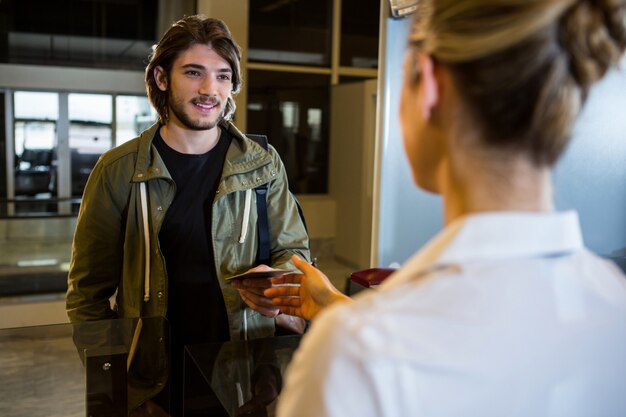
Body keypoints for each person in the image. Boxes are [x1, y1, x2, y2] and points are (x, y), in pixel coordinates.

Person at [266, 1, 626, 416]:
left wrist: (344, 326)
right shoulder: (613, 309)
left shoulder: (353, 355)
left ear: (430, 86)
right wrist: (332, 303)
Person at [66, 15, 310, 416]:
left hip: (243, 375)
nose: (209, 89)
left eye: (222, 75)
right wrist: (117, 390)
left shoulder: (263, 164)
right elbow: (87, 295)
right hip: (153, 383)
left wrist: (278, 285)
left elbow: (294, 252)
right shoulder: (119, 170)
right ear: (162, 78)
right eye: (193, 72)